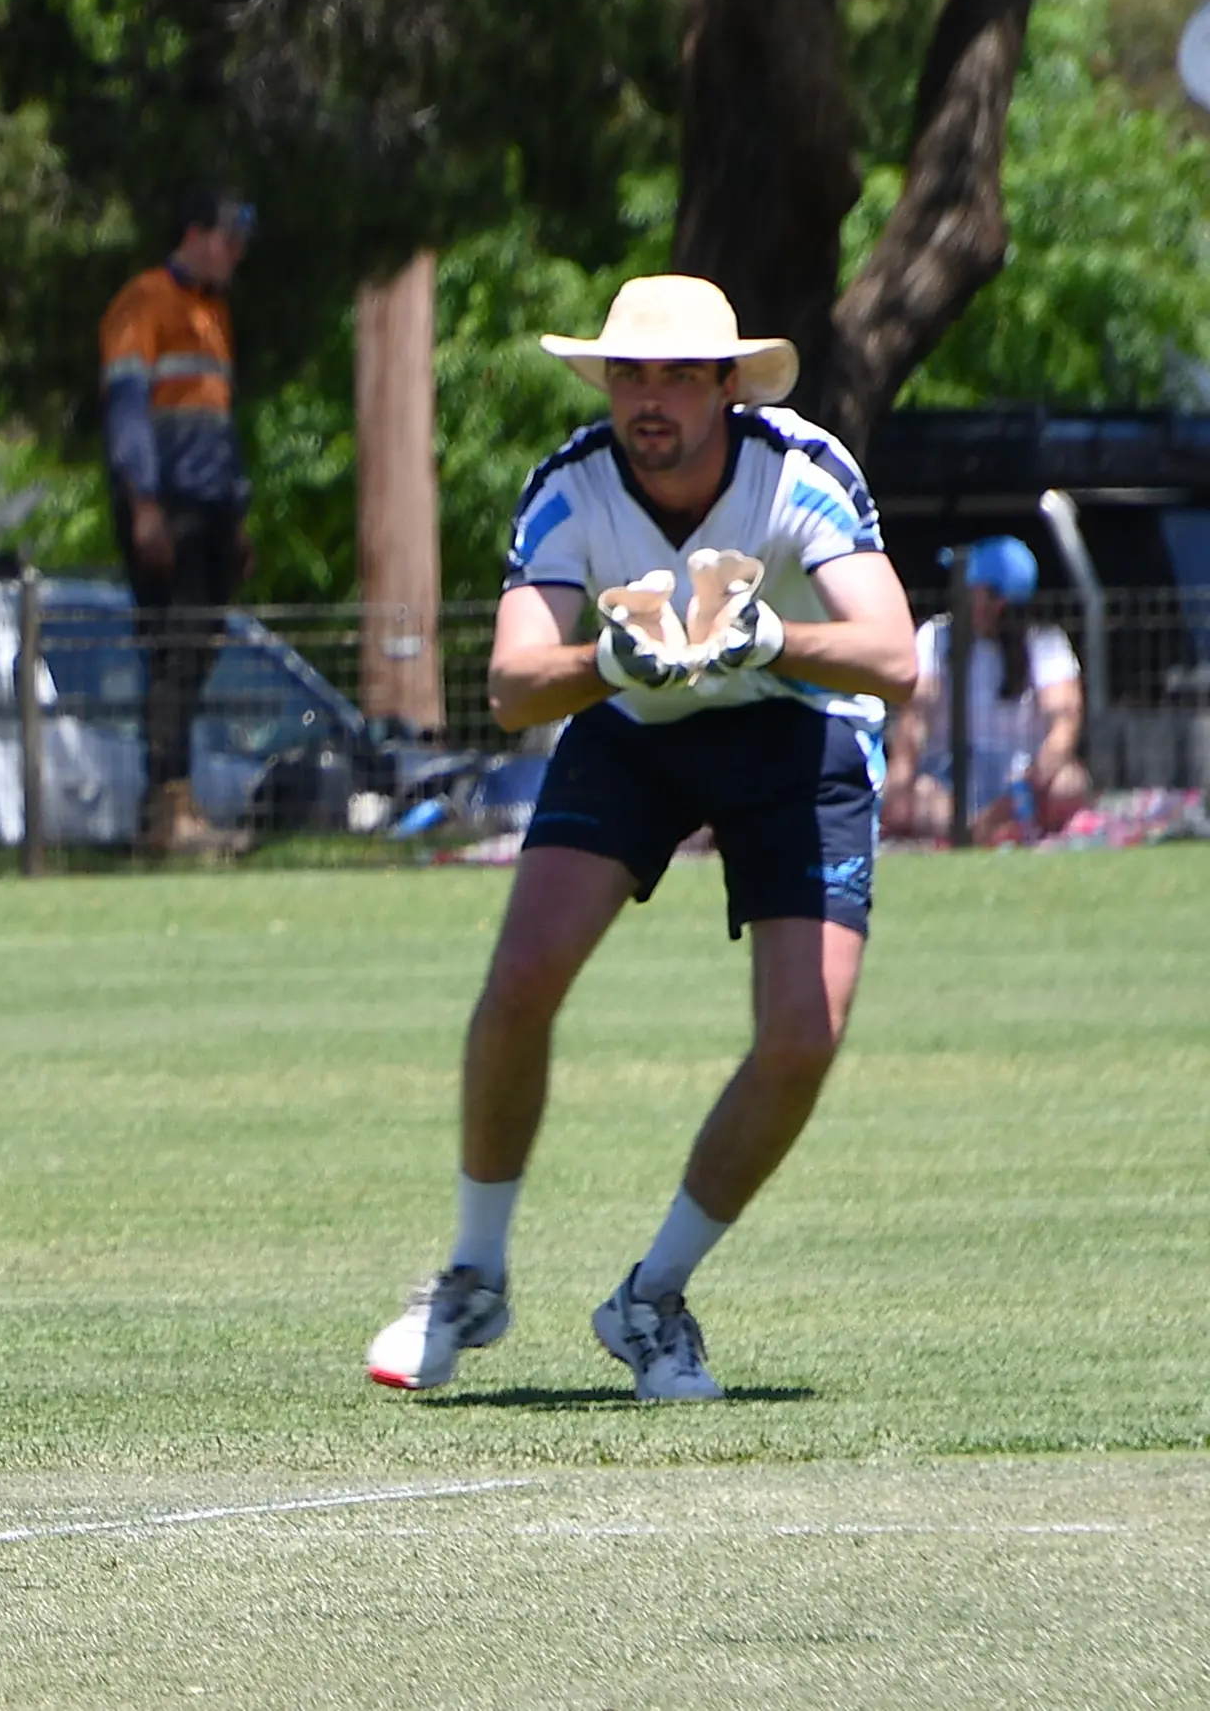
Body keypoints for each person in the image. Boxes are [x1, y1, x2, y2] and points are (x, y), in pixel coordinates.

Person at [363, 274, 916, 1402]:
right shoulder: (570, 486)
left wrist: (769, 637)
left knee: (803, 1035)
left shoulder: (798, 469)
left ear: (726, 385)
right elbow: (515, 686)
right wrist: (609, 663)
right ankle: (473, 1276)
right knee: (520, 976)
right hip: (637, 728)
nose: (649, 397)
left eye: (675, 374)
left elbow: (896, 659)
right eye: (630, 373)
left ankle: (651, 1300)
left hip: (793, 731)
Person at [100, 188, 257, 857]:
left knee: (195, 658)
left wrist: (237, 514)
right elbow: (128, 410)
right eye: (228, 239)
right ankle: (167, 812)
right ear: (194, 232)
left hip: (211, 506)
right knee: (172, 655)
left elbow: (216, 423)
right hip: (167, 510)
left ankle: (176, 806)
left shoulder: (214, 314)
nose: (236, 255)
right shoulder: (144, 301)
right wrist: (143, 506)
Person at [881, 538, 1088, 842]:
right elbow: (915, 717)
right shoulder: (935, 637)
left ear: (994, 601)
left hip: (1023, 780)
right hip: (950, 777)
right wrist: (899, 781)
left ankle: (990, 830)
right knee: (918, 799)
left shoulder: (1045, 643)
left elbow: (1064, 727)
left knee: (1069, 785)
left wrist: (1013, 799)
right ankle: (979, 832)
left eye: (969, 585)